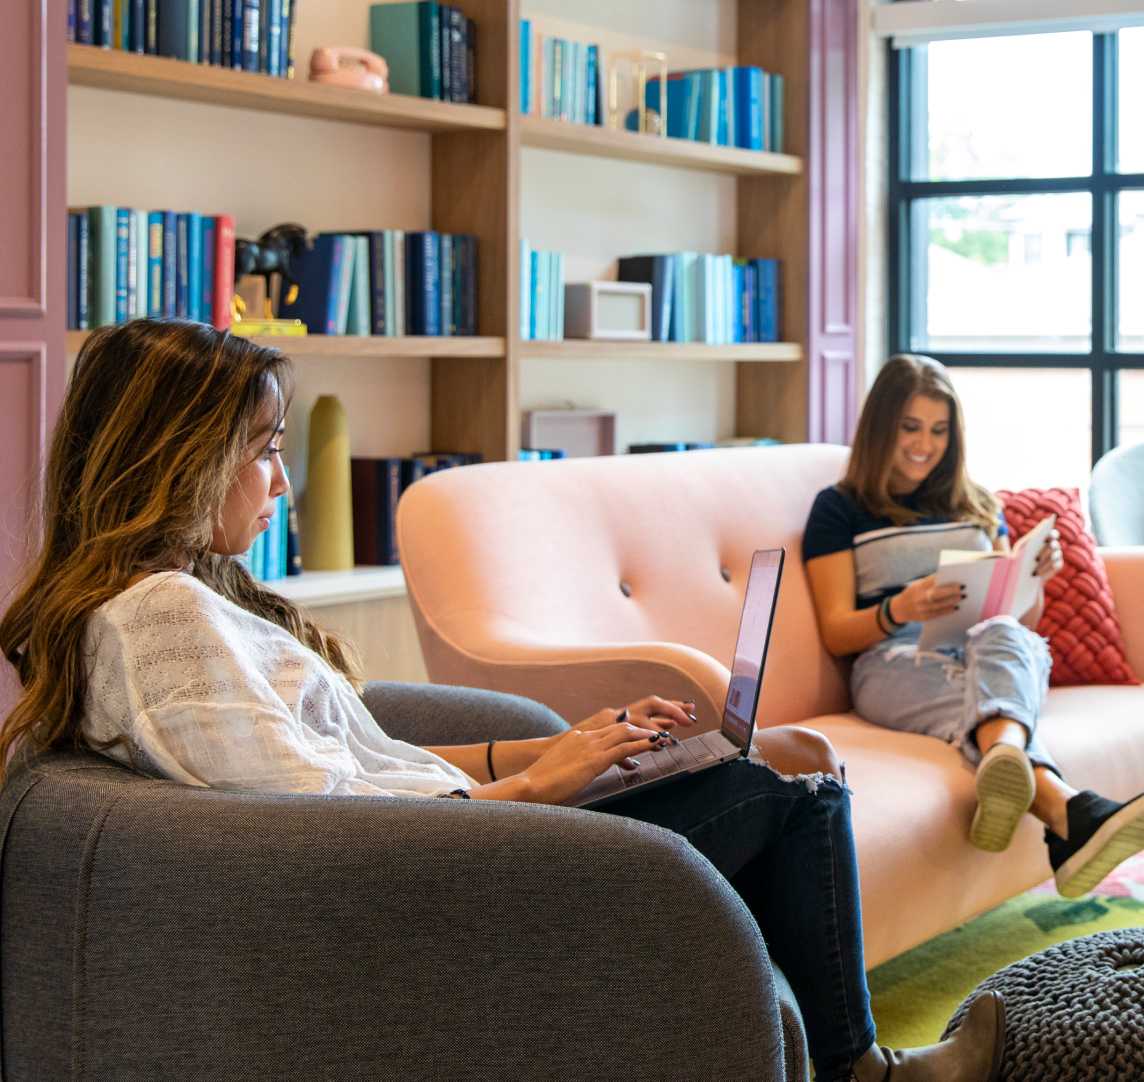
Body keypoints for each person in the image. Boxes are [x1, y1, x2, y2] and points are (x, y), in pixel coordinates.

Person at [0, 322, 1007, 1082]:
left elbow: (357, 755)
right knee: (790, 796)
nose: (281, 482)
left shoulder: (183, 597)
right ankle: (862, 1068)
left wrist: (549, 752)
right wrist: (536, 787)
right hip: (435, 875)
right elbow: (332, 826)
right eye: (262, 449)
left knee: (756, 773)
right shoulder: (161, 617)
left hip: (446, 835)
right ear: (178, 456)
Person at [803, 353, 1144, 901]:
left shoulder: (978, 504)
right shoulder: (840, 510)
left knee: (1008, 633)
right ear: (880, 428)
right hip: (893, 664)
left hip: (986, 650)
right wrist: (901, 608)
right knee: (1002, 664)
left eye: (939, 430)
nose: (924, 444)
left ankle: (1027, 780)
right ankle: (1060, 804)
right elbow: (838, 631)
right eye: (910, 427)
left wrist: (1035, 577)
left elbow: (1017, 616)